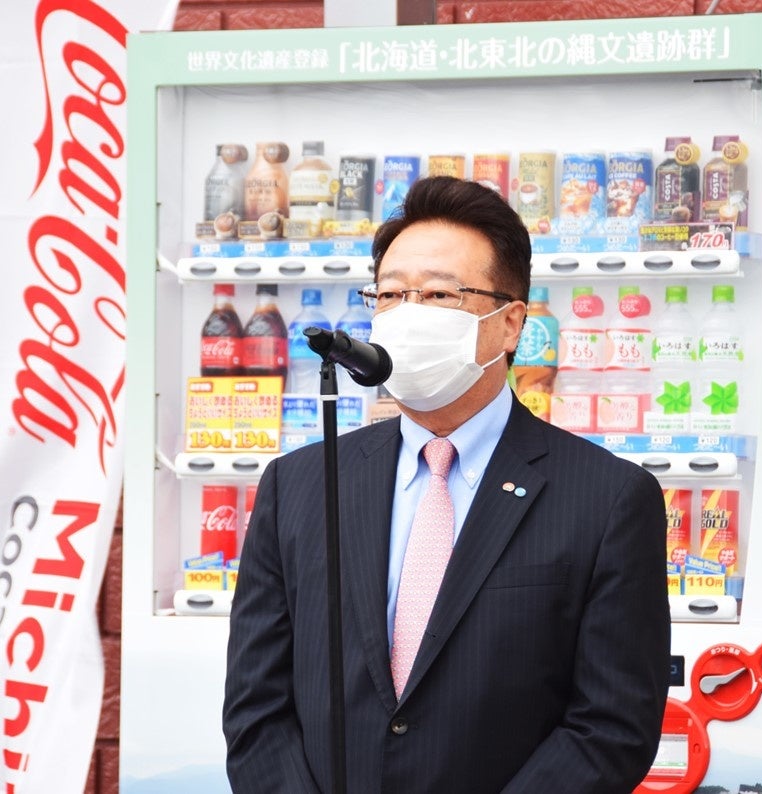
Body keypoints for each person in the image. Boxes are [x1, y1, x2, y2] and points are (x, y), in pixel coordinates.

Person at [224, 176, 670, 793]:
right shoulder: (297, 484)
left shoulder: (610, 499)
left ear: (511, 324)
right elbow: (256, 708)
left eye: (439, 294)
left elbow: (611, 727)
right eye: (390, 295)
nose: (408, 316)